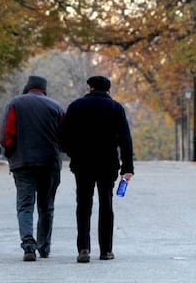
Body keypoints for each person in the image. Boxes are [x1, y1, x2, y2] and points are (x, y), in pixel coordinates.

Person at [59, 75, 134, 263]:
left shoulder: (76, 106)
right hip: (107, 163)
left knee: (83, 205)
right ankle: (106, 250)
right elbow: (125, 139)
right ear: (108, 90)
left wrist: (72, 153)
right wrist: (127, 167)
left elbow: (63, 136)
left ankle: (83, 248)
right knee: (106, 205)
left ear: (89, 88)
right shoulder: (116, 108)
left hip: (82, 163)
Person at [0, 75, 65, 262]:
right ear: (44, 89)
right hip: (49, 164)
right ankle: (44, 247)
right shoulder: (56, 107)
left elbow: (6, 135)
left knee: (25, 205)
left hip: (23, 163)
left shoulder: (15, 104)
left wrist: (12, 154)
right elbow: (65, 137)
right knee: (46, 206)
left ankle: (29, 245)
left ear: (27, 87)